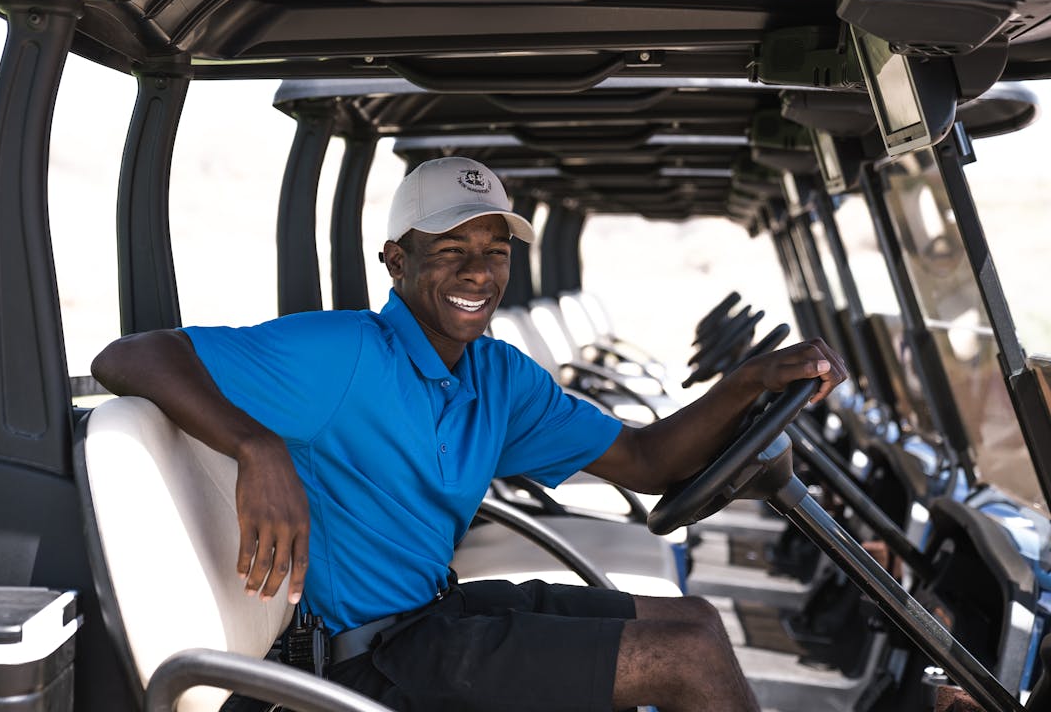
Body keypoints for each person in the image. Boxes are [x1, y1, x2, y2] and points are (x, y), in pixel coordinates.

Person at [92, 156, 847, 712]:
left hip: (435, 619)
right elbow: (129, 356)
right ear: (397, 260)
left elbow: (646, 461)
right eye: (451, 249)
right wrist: (256, 447)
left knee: (697, 622)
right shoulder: (341, 354)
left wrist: (748, 383)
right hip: (364, 662)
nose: (477, 271)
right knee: (683, 660)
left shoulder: (499, 377)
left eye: (495, 249)